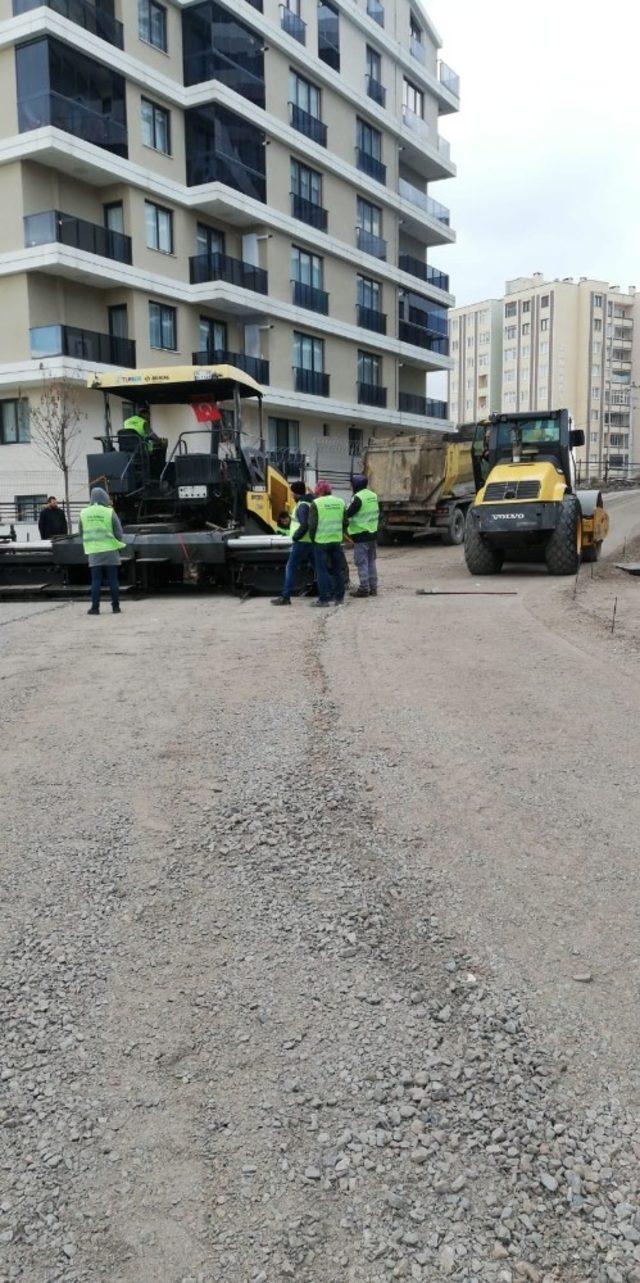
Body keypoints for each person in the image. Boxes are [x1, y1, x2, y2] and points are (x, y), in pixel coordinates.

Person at [79, 487, 126, 616]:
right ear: (104, 497)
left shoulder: (84, 512)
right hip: (110, 550)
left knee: (96, 581)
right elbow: (119, 532)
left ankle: (95, 608)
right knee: (113, 580)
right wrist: (116, 542)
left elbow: (81, 533)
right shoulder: (110, 512)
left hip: (94, 551)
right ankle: (115, 607)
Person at [271, 481, 315, 605]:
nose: (291, 495)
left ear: (296, 493)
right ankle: (328, 592)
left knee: (290, 567)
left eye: (292, 493)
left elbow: (304, 524)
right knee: (318, 567)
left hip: (301, 542)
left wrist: (296, 537)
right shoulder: (309, 502)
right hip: (309, 541)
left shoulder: (302, 506)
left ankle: (285, 597)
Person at [308, 480, 346, 607]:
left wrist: (313, 539)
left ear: (320, 491)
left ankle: (324, 599)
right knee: (337, 570)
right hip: (336, 541)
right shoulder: (340, 502)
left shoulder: (316, 503)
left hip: (321, 542)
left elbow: (312, 525)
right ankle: (339, 598)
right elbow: (345, 522)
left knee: (322, 571)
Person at [345, 473, 379, 597]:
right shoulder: (373, 495)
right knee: (371, 561)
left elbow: (348, 513)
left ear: (356, 485)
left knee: (361, 562)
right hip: (372, 534)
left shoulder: (357, 498)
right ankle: (373, 588)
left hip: (360, 535)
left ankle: (364, 588)